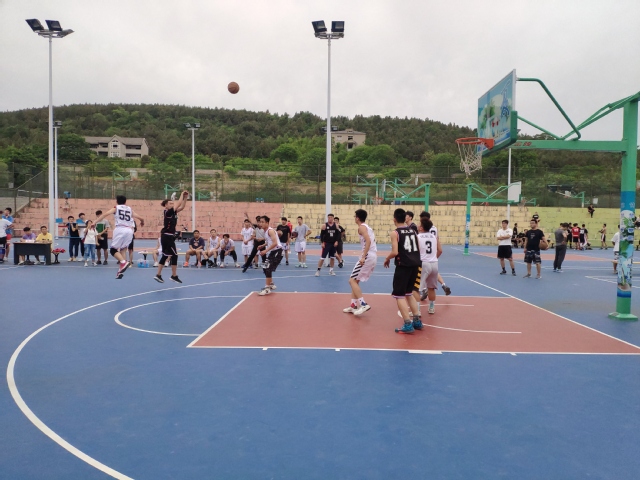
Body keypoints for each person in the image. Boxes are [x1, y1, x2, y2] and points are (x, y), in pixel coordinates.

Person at [384, 208, 423, 334]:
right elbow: (418, 248)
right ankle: (417, 321)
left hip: (404, 266)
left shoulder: (395, 233)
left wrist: (387, 258)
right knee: (409, 293)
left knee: (399, 295)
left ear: (394, 219)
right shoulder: (413, 231)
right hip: (415, 264)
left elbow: (395, 252)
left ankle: (407, 323)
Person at [95, 195, 145, 279]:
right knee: (123, 250)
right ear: (125, 201)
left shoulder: (116, 208)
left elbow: (104, 215)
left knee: (113, 250)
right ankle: (121, 271)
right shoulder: (130, 209)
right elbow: (141, 218)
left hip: (120, 229)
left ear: (117, 201)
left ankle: (123, 262)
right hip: (129, 231)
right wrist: (142, 222)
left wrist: (94, 222)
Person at [343, 209, 377, 316]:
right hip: (372, 255)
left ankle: (363, 304)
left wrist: (363, 256)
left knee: (351, 280)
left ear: (357, 218)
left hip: (367, 256)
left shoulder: (362, 227)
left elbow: (368, 241)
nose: (354, 218)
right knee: (355, 281)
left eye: (355, 216)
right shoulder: (367, 227)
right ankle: (353, 305)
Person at [155, 191, 189, 283]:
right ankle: (174, 276)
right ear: (166, 205)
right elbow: (178, 204)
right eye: (170, 203)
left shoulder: (173, 212)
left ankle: (158, 275)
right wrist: (182, 194)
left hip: (167, 236)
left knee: (165, 255)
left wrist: (185, 198)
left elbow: (182, 207)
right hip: (167, 236)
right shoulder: (168, 212)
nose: (172, 204)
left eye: (172, 203)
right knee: (174, 255)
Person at [418, 211, 452, 295]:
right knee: (432, 281)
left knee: (418, 284)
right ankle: (443, 284)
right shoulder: (434, 230)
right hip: (433, 257)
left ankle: (423, 291)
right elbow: (439, 248)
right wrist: (434, 257)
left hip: (424, 258)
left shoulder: (419, 235)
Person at [417, 216, 442, 315]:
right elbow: (440, 250)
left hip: (423, 263)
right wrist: (434, 258)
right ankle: (431, 307)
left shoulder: (418, 237)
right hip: (434, 263)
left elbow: (416, 251)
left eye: (419, 224)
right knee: (431, 287)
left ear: (421, 227)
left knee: (417, 288)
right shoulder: (434, 237)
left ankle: (417, 310)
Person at [257, 215, 284, 296]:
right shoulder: (265, 231)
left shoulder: (270, 231)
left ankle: (267, 288)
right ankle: (271, 284)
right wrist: (263, 245)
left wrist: (265, 250)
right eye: (260, 222)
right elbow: (269, 241)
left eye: (262, 222)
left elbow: (275, 243)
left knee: (268, 268)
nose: (260, 223)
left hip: (278, 251)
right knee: (265, 268)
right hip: (273, 252)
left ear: (267, 223)